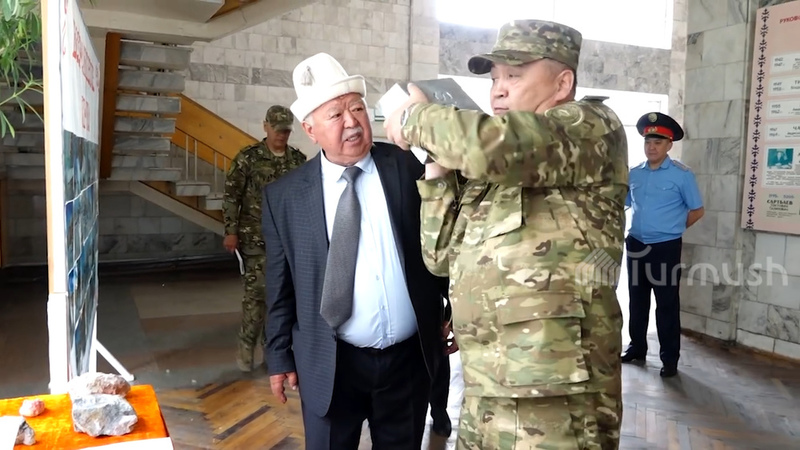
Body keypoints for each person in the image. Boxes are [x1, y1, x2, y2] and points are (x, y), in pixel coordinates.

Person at [384, 19, 629, 449]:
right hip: (486, 384)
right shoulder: (493, 170)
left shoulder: (589, 127)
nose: (498, 90)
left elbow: (489, 145)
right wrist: (438, 168)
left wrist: (416, 117)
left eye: (514, 76)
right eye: (494, 78)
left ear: (562, 83)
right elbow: (439, 257)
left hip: (555, 392)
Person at [261, 52, 451, 450]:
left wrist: (450, 309)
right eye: (336, 114)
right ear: (310, 129)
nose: (351, 121)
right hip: (330, 364)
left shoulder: (407, 167)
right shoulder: (285, 197)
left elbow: (443, 238)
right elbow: (280, 286)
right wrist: (278, 355)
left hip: (407, 362)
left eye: (358, 108)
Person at [221, 105, 306, 372]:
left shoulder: (297, 160)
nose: (282, 135)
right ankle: (246, 347)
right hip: (255, 239)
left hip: (288, 240)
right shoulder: (248, 158)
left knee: (283, 297)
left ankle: (274, 350)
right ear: (265, 126)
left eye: (286, 131)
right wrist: (231, 231)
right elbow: (231, 195)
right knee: (256, 296)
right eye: (277, 129)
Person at [621, 112, 704, 378]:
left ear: (669, 145)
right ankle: (637, 347)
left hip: (665, 248)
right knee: (637, 300)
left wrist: (674, 228)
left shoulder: (682, 175)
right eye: (648, 142)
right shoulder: (634, 174)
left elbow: (697, 210)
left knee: (666, 303)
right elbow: (624, 204)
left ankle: (669, 358)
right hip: (636, 245)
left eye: (658, 142)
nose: (652, 147)